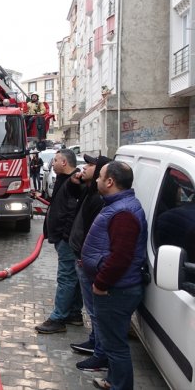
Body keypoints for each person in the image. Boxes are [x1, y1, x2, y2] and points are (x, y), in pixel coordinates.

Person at [82, 161, 147, 390]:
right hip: (116, 287)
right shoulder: (120, 206)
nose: (97, 180)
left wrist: (101, 283)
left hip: (115, 290)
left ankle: (120, 386)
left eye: (100, 176)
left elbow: (121, 257)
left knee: (115, 345)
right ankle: (113, 381)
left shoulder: (123, 213)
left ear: (110, 182)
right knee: (112, 342)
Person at [68, 154, 112, 372]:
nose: (84, 167)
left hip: (88, 261)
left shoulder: (99, 200)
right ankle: (95, 342)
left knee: (96, 311)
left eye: (90, 165)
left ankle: (101, 355)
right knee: (92, 309)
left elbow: (95, 235)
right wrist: (75, 182)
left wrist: (84, 257)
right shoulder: (91, 192)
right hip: (82, 257)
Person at [36, 148, 85, 334]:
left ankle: (58, 319)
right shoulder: (66, 180)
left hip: (67, 240)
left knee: (66, 277)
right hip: (65, 238)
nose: (52, 163)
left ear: (64, 162)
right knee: (74, 277)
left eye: (55, 160)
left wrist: (65, 237)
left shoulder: (74, 182)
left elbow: (72, 213)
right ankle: (74, 313)